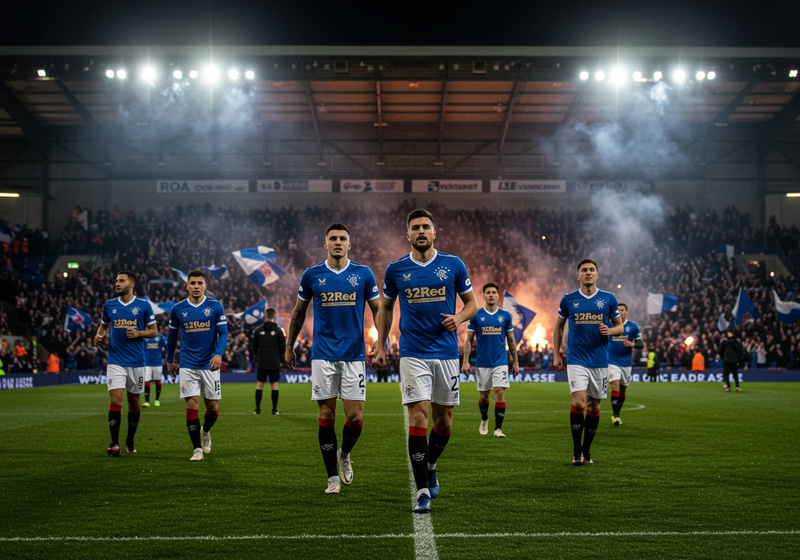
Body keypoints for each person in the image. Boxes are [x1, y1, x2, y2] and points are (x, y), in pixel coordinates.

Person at [375, 208, 478, 514]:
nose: (421, 231)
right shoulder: (396, 270)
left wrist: (458, 317)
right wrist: (381, 344)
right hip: (412, 353)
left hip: (446, 353)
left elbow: (471, 304)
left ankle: (431, 465)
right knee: (419, 418)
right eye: (416, 227)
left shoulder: (453, 265)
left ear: (435, 232)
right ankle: (422, 490)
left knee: (444, 424)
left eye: (426, 227)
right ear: (408, 235)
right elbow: (385, 308)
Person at [284, 223, 380, 494]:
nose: (338, 242)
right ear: (325, 244)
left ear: (350, 244)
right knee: (326, 414)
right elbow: (298, 312)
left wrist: (381, 343)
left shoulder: (363, 274)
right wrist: (289, 345)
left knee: (356, 419)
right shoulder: (312, 274)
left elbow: (377, 308)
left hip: (353, 355)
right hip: (323, 355)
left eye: (343, 239)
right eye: (333, 239)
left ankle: (344, 454)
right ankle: (331, 477)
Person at [552, 258, 623, 466]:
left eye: (592, 270)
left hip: (600, 361)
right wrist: (556, 354)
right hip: (576, 359)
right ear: (578, 275)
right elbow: (558, 327)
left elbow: (619, 327)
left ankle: (587, 449)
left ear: (597, 275)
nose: (588, 273)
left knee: (593, 408)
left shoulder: (609, 298)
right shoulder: (568, 299)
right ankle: (576, 451)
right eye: (584, 270)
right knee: (578, 403)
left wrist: (610, 330)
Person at [167, 270, 228, 462]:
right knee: (191, 404)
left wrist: (219, 354)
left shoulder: (215, 306)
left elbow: (224, 334)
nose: (195, 286)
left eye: (199, 283)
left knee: (213, 408)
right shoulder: (178, 309)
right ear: (186, 286)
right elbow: (171, 338)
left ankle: (206, 431)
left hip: (210, 364)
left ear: (205, 286)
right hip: (187, 364)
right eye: (192, 283)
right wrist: (169, 360)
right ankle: (196, 449)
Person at [93, 271, 157, 456]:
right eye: (116, 281)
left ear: (131, 284)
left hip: (137, 362)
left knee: (135, 403)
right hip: (115, 361)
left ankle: (130, 440)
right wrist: (100, 335)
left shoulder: (144, 306)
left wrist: (138, 333)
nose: (117, 284)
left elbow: (153, 332)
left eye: (121, 281)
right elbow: (103, 325)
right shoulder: (109, 305)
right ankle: (114, 444)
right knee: (115, 400)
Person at [462, 282, 519, 438]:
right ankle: (484, 419)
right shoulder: (476, 315)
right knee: (484, 396)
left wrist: (515, 362)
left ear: (498, 295)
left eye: (494, 292)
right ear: (484, 295)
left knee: (500, 392)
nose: (491, 295)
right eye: (488, 292)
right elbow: (468, 340)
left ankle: (498, 429)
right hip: (482, 362)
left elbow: (512, 340)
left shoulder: (505, 316)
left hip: (500, 361)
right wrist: (465, 361)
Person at [607, 302, 643, 426]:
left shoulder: (633, 326)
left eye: (622, 310)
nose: (620, 312)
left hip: (626, 363)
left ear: (626, 312)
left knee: (623, 390)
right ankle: (616, 416)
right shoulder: (609, 325)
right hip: (612, 362)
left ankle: (617, 413)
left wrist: (633, 344)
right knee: (615, 386)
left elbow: (641, 344)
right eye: (618, 310)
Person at [252, 307, 286, 414]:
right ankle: (274, 410)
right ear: (275, 317)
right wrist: (280, 360)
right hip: (274, 362)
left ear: (265, 316)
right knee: (274, 385)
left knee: (259, 385)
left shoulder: (258, 330)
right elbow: (283, 348)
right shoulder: (279, 331)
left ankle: (257, 409)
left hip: (261, 362)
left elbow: (254, 347)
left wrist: (258, 357)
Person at [142, 329, 167, 407]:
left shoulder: (160, 337)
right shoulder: (145, 337)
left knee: (158, 381)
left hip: (157, 363)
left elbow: (166, 344)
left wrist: (163, 353)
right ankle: (147, 401)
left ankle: (157, 400)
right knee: (146, 380)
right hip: (147, 363)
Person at [720, 327, 745, 392]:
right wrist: (739, 359)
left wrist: (723, 357)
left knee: (726, 373)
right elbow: (740, 351)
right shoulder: (737, 341)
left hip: (726, 359)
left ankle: (728, 386)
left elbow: (721, 350)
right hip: (734, 359)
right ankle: (737, 386)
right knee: (735, 373)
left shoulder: (724, 341)